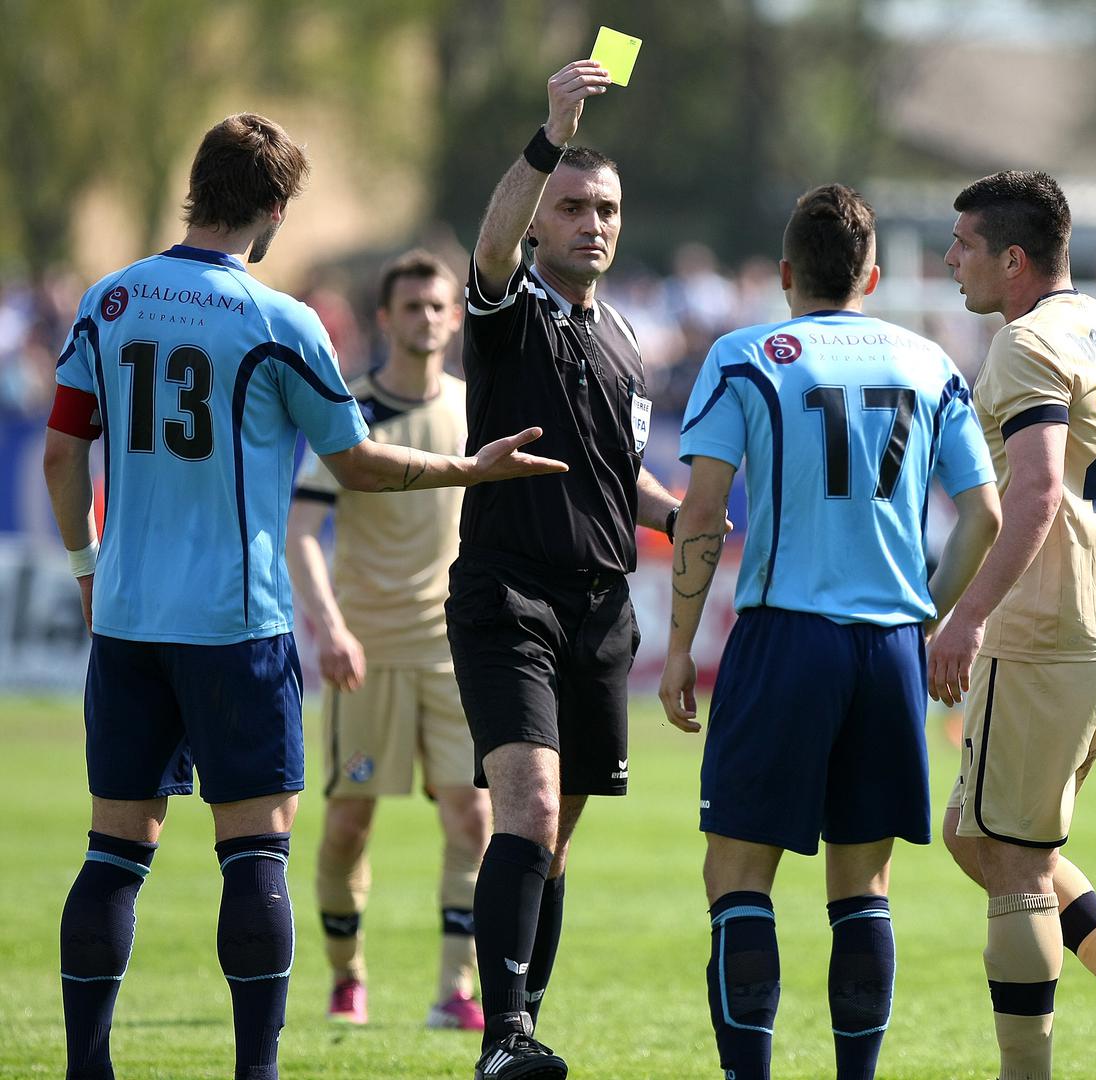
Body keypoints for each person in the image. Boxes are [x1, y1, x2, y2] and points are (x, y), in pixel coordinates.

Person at [42, 113, 565, 1080]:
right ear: (278, 209)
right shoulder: (279, 321)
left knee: (112, 853)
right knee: (255, 854)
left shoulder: (108, 301)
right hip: (236, 625)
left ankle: (86, 1069)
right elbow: (356, 463)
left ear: (196, 186)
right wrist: (470, 469)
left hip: (127, 621)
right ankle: (256, 1072)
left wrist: (86, 567)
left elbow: (62, 455)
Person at [658, 182, 1001, 1080]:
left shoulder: (745, 355)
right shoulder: (929, 362)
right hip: (888, 648)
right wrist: (928, 614)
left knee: (738, 875)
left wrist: (681, 648)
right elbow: (984, 515)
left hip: (785, 636)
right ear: (872, 277)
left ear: (785, 274)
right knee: (863, 887)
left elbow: (702, 514)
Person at [928, 170, 1096, 1080]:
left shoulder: (1024, 342)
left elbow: (1035, 493)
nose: (949, 259)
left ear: (1012, 259)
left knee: (1010, 861)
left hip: (1039, 635)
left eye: (963, 244)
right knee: (977, 833)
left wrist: (966, 616)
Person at [448, 59, 682, 1080]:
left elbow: (622, 476)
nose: (594, 223)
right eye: (574, 207)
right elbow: (489, 245)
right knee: (530, 813)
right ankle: (500, 1039)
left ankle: (522, 1030)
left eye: (607, 209)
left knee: (557, 837)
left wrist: (686, 514)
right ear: (541, 222)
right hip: (507, 592)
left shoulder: (625, 340)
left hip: (600, 609)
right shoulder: (509, 309)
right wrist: (549, 134)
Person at [286, 250, 490, 1031]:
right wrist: (329, 626)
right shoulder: (351, 411)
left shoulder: (475, 408)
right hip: (365, 651)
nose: (427, 319)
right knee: (349, 825)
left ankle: (455, 993)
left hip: (452, 651)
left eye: (438, 306)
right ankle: (347, 977)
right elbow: (301, 531)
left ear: (455, 316)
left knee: (472, 820)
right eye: (411, 307)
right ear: (384, 318)